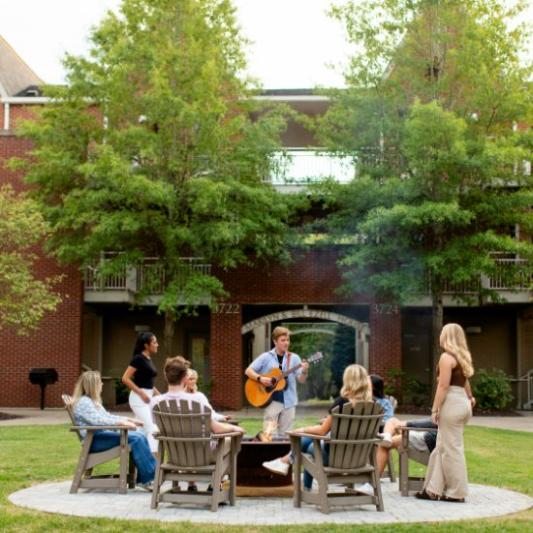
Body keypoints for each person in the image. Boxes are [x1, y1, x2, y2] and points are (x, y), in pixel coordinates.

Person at [262, 364, 374, 493]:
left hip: (334, 458)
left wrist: (300, 430)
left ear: (348, 381)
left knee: (308, 446)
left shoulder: (342, 402)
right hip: (359, 458)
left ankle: (289, 465)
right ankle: (287, 463)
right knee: (309, 443)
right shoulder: (372, 406)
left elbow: (322, 431)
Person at [416, 323, 475, 502]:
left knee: (451, 450)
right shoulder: (462, 357)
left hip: (452, 403)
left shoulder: (446, 357)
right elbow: (465, 383)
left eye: (442, 333)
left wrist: (435, 408)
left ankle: (457, 493)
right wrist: (470, 397)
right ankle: (433, 490)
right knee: (442, 447)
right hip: (462, 403)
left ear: (446, 336)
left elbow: (443, 385)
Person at [70, 370, 156, 490]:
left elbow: (107, 416)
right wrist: (120, 423)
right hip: (95, 440)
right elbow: (97, 421)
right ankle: (148, 478)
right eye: (100, 382)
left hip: (100, 436)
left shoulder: (91, 401)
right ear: (93, 385)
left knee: (141, 433)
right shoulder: (85, 402)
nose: (102, 384)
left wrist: (129, 420)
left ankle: (147, 475)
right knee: (136, 439)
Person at [244, 326, 309, 438]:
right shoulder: (266, 357)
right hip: (271, 401)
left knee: (286, 438)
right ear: (275, 341)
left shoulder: (294, 358)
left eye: (288, 340)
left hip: (289, 402)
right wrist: (260, 378)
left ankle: (284, 456)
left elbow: (301, 380)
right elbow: (248, 371)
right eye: (283, 340)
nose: (286, 343)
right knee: (269, 436)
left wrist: (304, 370)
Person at [122, 331, 161, 454]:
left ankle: (133, 453)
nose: (157, 344)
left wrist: (159, 395)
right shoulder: (138, 359)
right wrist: (141, 393)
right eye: (154, 342)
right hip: (138, 399)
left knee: (140, 429)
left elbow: (148, 382)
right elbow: (125, 378)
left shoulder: (148, 358)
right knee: (152, 429)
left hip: (147, 397)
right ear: (146, 345)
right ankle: (154, 463)